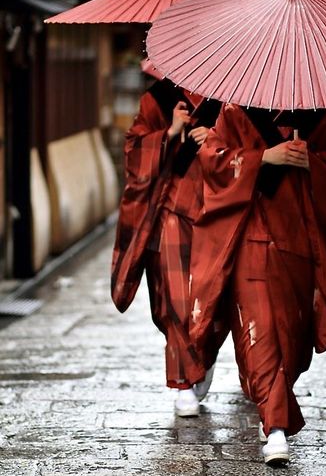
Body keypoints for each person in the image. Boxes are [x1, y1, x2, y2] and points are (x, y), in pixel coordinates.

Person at [189, 104, 326, 465]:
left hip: (298, 242)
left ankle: (275, 408)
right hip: (251, 238)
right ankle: (275, 429)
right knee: (260, 332)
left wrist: (313, 162)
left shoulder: (319, 117)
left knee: (290, 338)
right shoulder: (236, 112)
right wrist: (264, 157)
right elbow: (212, 160)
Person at [111, 77, 221, 417]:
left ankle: (202, 357)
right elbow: (133, 150)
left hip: (219, 208)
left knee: (216, 297)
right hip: (171, 208)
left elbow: (249, 148)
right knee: (173, 299)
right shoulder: (158, 98)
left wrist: (218, 140)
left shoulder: (231, 96)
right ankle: (184, 382)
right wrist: (171, 133)